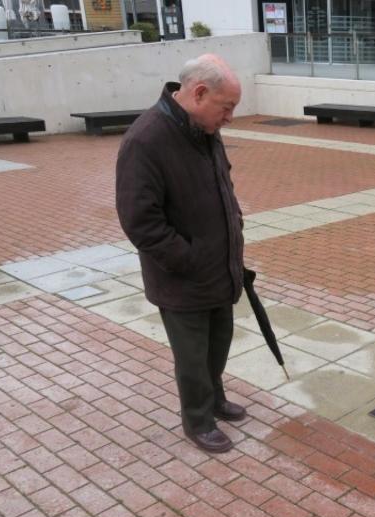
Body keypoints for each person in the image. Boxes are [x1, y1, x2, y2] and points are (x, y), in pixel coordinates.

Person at [116, 54, 246, 453]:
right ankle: (198, 419)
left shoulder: (203, 129)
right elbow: (140, 221)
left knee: (218, 343)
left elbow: (221, 188)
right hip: (183, 276)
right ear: (199, 93)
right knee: (192, 356)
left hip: (219, 268)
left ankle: (215, 399)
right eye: (227, 108)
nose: (229, 118)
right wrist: (187, 260)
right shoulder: (146, 139)